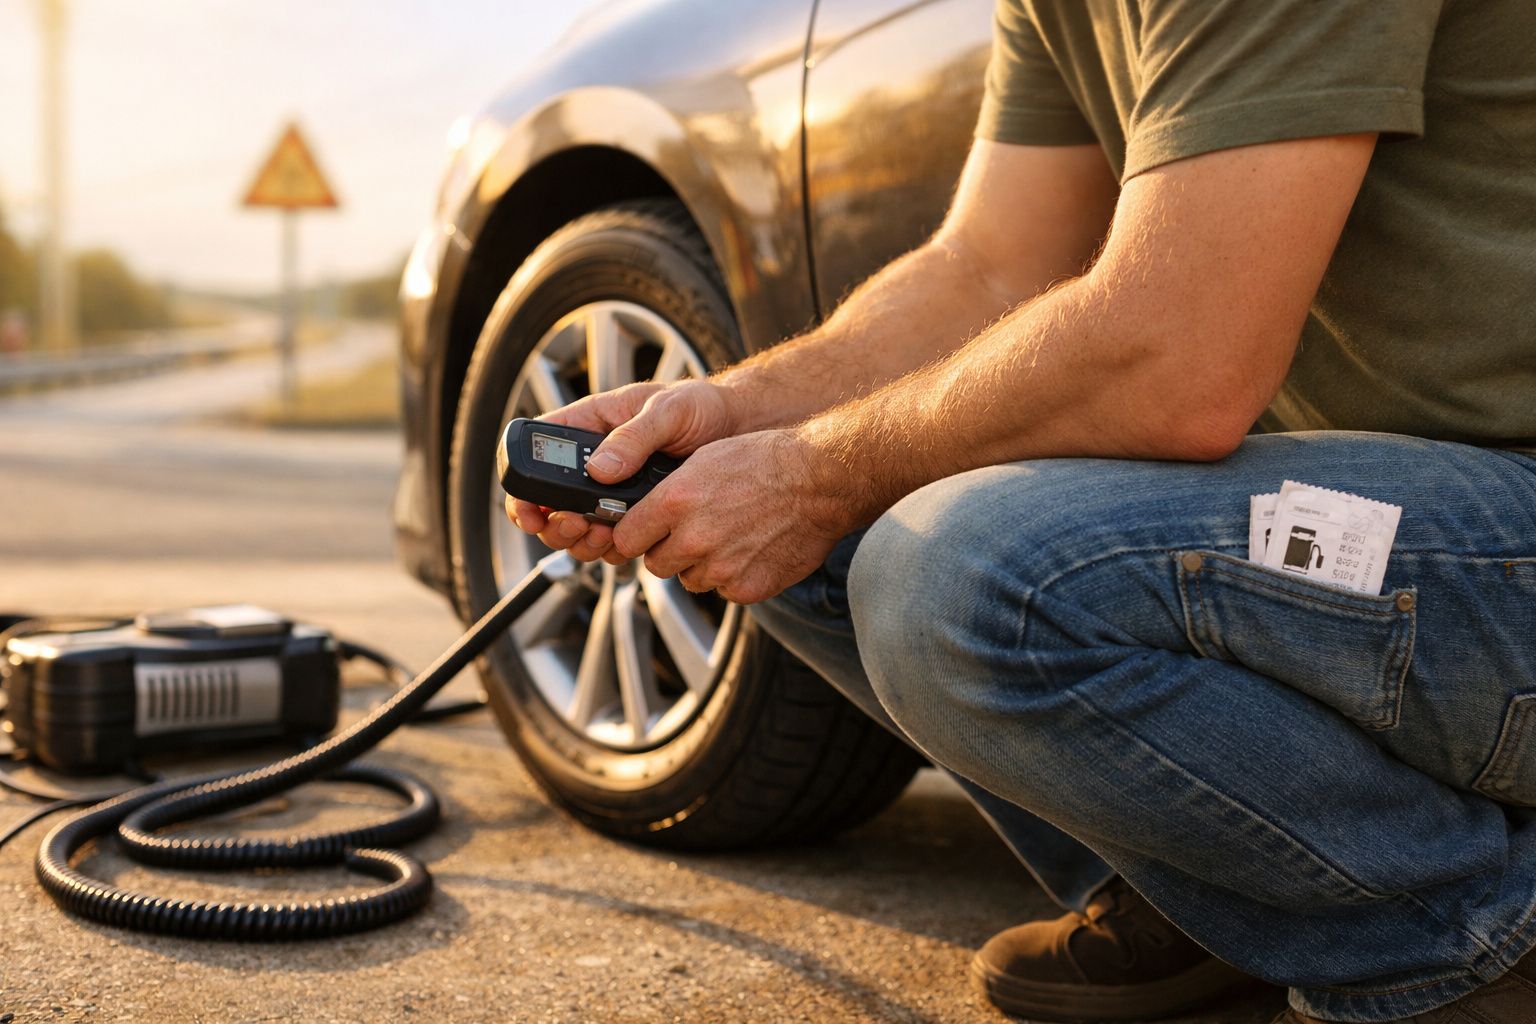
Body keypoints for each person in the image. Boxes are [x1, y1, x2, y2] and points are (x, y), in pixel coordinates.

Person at [508, 1, 1536, 1020]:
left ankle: (1469, 943)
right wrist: (741, 415)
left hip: (1510, 524)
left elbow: (1179, 362)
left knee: (958, 574)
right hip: (1393, 512)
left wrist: (810, 473)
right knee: (783, 515)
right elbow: (986, 265)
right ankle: (1226, 892)